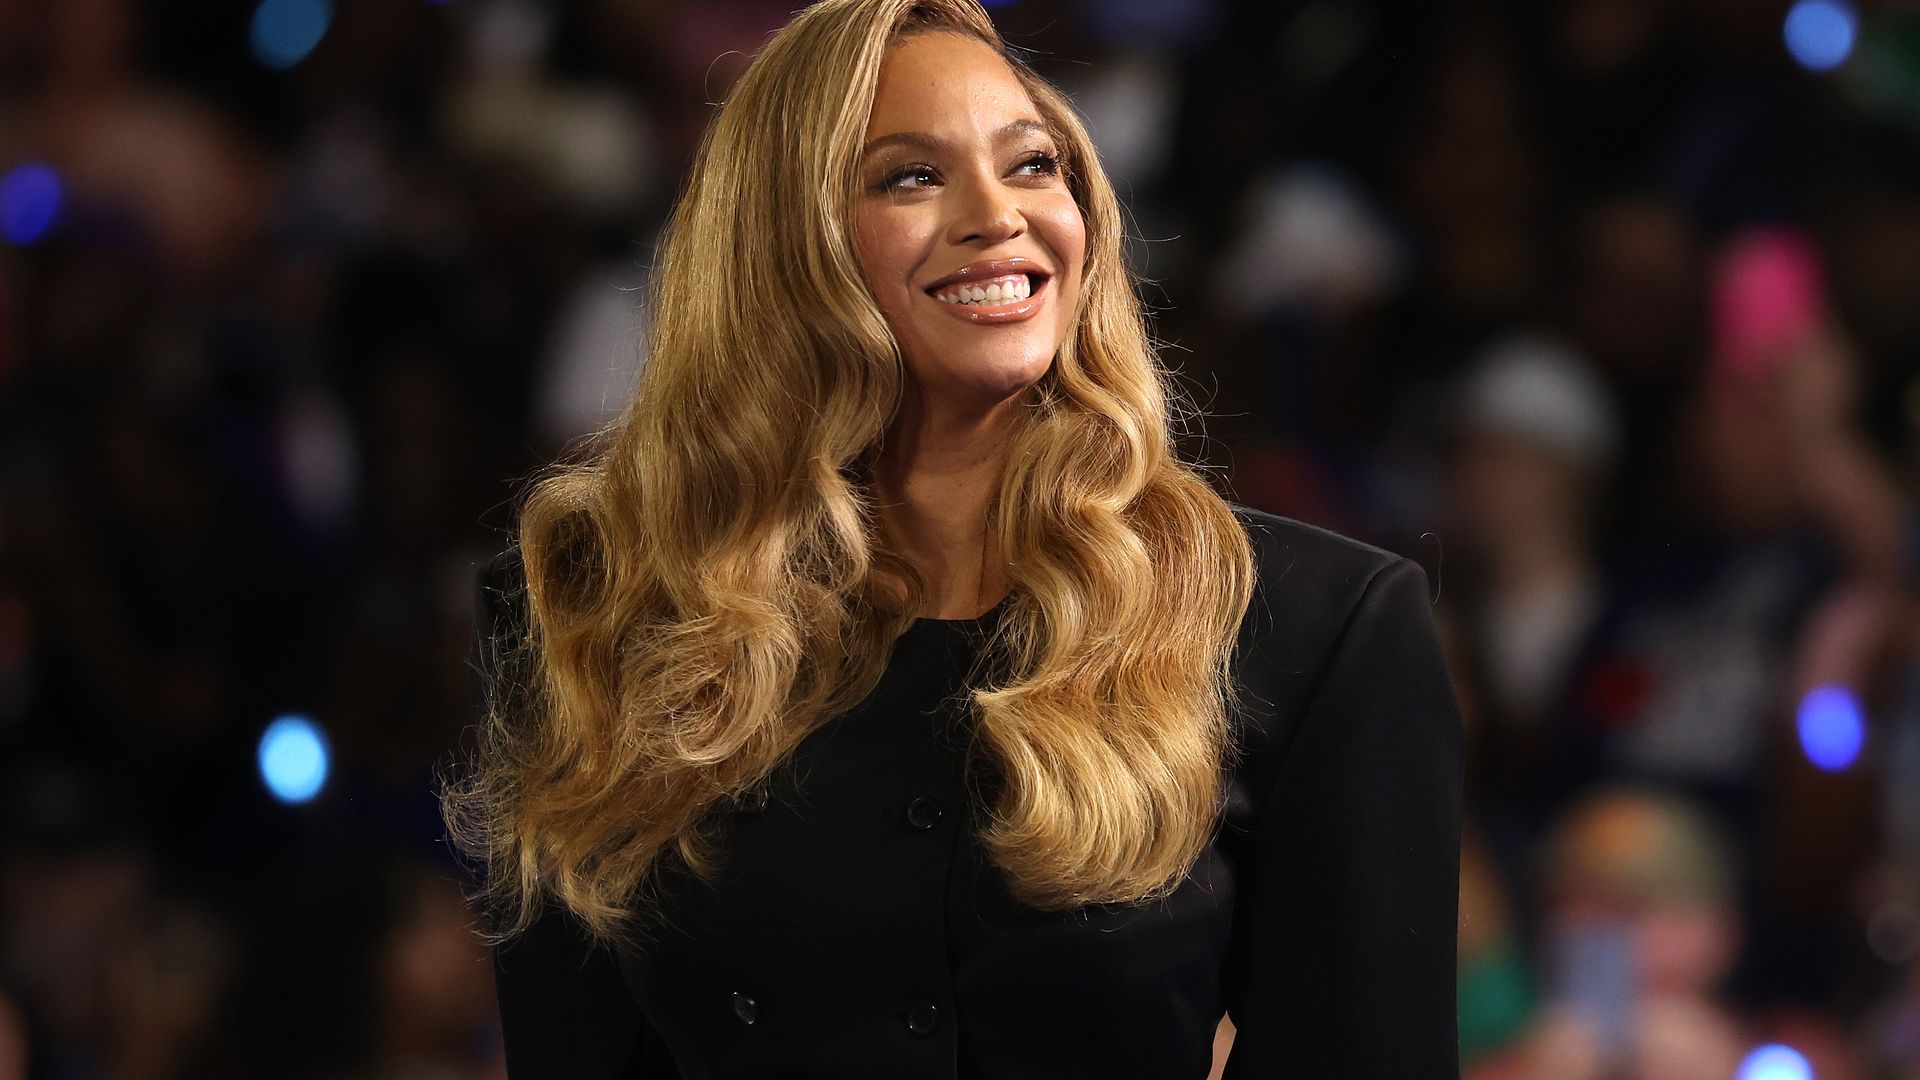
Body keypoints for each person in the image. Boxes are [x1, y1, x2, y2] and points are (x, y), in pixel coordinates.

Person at [437, 1, 1463, 1076]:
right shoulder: (592, 609)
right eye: (912, 177)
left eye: (1033, 166)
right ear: (779, 244)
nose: (997, 215)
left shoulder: (1316, 630)